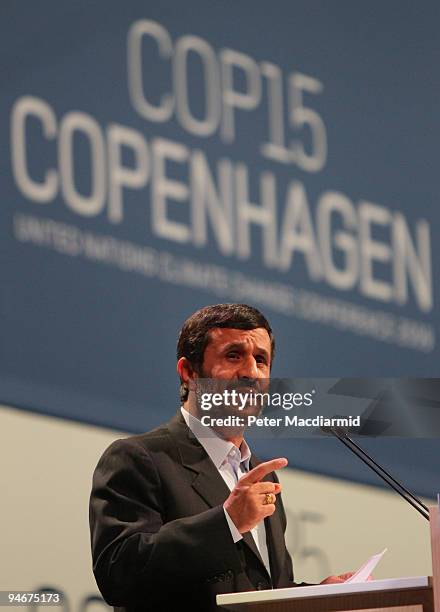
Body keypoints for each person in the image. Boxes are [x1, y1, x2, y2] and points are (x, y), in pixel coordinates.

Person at [89, 303, 352, 611]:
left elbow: (261, 590)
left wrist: (318, 597)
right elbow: (119, 574)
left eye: (261, 360)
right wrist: (227, 523)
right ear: (188, 372)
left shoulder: (261, 475)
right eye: (233, 355)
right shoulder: (140, 458)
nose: (251, 373)